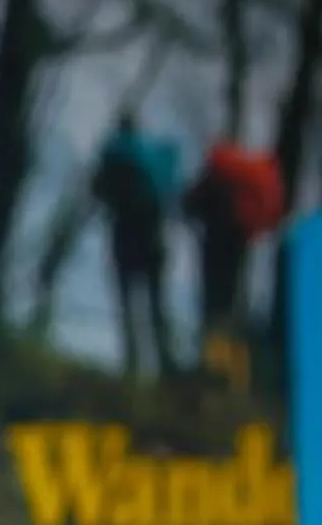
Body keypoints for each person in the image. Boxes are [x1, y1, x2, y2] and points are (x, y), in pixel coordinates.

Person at [185, 134, 286, 384]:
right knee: (230, 307)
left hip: (214, 250)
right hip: (238, 248)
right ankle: (236, 373)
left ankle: (216, 369)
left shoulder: (215, 177)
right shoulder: (240, 186)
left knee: (214, 309)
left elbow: (190, 204)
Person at [89, 111, 181, 379]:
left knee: (127, 302)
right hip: (154, 237)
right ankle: (166, 365)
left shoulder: (113, 155)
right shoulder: (152, 157)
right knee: (158, 304)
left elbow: (97, 191)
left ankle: (131, 365)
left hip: (124, 236)